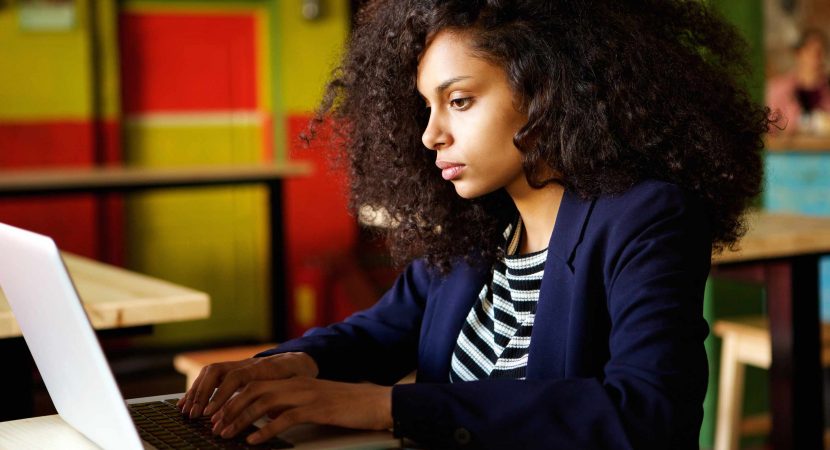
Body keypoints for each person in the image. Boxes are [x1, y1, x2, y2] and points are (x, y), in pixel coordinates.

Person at [179, 1, 769, 448]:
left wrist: (392, 408)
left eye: (458, 101)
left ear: (546, 92)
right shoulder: (476, 225)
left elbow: (647, 412)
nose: (430, 135)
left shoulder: (645, 218)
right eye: (427, 107)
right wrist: (287, 364)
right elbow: (381, 330)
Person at [766, 28, 830, 134]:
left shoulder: (826, 89)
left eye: (820, 52)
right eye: (810, 51)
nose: (815, 57)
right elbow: (768, 126)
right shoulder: (779, 89)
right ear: (798, 54)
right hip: (788, 149)